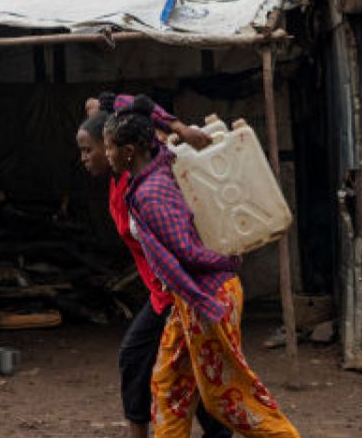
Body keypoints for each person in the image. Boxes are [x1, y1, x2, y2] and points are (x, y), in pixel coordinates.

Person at [105, 100, 301, 438]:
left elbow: (188, 252)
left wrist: (228, 261)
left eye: (108, 147)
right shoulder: (160, 164)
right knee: (169, 386)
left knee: (226, 397)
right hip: (190, 300)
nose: (105, 153)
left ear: (128, 151)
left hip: (209, 295)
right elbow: (128, 102)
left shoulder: (152, 194)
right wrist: (179, 128)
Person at [75, 95, 231, 438]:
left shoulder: (146, 185)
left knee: (152, 361)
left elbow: (125, 99)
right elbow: (106, 100)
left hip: (177, 290)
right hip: (162, 292)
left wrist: (178, 129)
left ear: (113, 146)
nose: (84, 159)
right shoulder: (120, 180)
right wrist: (95, 108)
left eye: (89, 150)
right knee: (171, 364)